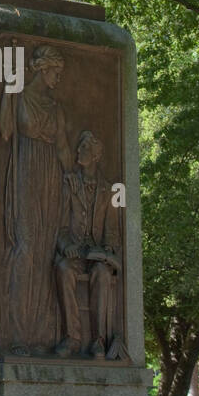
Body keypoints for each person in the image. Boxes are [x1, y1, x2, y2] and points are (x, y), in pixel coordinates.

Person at [0, 44, 72, 354]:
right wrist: (8, 90)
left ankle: (41, 337)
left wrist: (77, 185)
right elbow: (4, 131)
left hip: (51, 179)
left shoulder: (56, 108)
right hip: (26, 173)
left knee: (44, 253)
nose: (59, 78)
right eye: (56, 71)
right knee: (25, 249)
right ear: (43, 68)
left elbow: (64, 150)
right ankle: (17, 334)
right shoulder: (19, 94)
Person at [54, 130, 127, 360]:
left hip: (97, 257)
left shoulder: (110, 190)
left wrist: (105, 253)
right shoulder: (70, 184)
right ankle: (72, 337)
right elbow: (60, 226)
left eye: (84, 148)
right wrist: (66, 245)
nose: (78, 151)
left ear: (96, 155)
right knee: (64, 269)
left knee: (102, 275)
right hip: (75, 255)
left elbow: (112, 232)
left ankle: (98, 341)